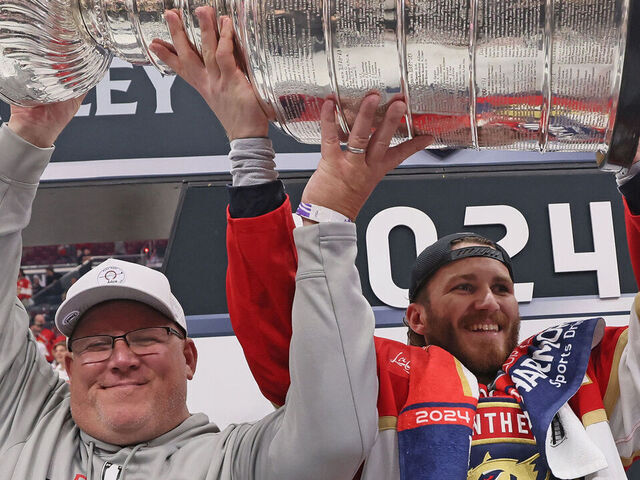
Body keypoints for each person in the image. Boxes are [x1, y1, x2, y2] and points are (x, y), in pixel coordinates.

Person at [152, 7, 640, 479]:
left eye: (502, 288)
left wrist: (631, 156)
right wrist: (253, 149)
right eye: (463, 287)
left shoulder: (581, 370)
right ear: (416, 317)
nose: (489, 300)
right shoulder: (381, 380)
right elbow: (287, 334)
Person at [0, 81, 385, 478]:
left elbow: (335, 439)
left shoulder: (235, 463)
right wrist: (25, 139)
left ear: (188, 357)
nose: (121, 360)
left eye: (145, 338)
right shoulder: (25, 423)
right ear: (67, 363)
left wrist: (329, 226)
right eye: (96, 345)